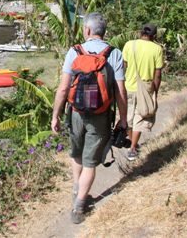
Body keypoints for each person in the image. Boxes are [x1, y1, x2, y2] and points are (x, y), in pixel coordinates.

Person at [51, 12, 127, 224]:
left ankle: (77, 191)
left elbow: (64, 88)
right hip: (101, 115)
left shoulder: (74, 51)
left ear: (87, 30)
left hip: (76, 112)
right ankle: (79, 207)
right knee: (90, 162)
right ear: (104, 32)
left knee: (76, 155)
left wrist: (55, 116)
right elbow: (121, 91)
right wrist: (123, 119)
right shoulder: (114, 53)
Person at [122, 23, 164, 161]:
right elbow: (157, 74)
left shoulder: (129, 45)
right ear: (154, 36)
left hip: (128, 86)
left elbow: (124, 66)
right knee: (140, 117)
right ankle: (133, 148)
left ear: (141, 32)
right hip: (146, 88)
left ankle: (132, 143)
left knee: (128, 119)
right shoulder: (157, 49)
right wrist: (155, 92)